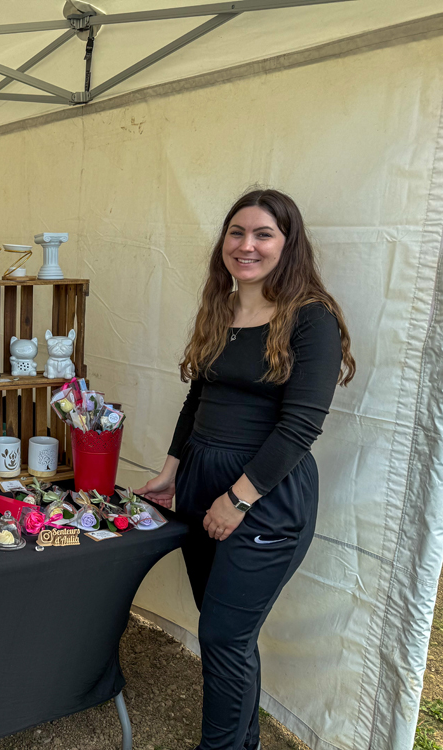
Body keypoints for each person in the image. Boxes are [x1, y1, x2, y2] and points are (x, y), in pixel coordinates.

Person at [136, 189, 355, 750]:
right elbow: (197, 399)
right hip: (199, 479)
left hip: (263, 494)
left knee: (224, 635)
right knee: (224, 631)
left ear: (288, 244)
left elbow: (299, 427)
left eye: (263, 234)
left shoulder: (311, 319)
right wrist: (171, 471)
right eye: (237, 232)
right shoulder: (221, 307)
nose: (246, 245)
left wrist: (236, 500)